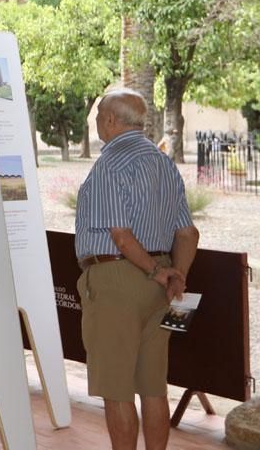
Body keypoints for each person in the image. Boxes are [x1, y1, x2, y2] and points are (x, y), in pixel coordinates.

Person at [75, 89, 200, 450]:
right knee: (152, 387)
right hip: (158, 287)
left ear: (112, 120)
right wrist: (176, 273)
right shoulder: (164, 164)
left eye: (99, 115)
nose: (96, 121)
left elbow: (121, 237)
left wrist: (156, 272)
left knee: (117, 390)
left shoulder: (109, 165)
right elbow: (188, 233)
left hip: (118, 280)